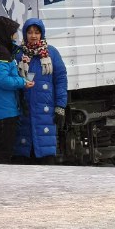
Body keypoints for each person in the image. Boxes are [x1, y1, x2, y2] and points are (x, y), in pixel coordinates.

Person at [14, 18, 68, 163]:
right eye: (30, 32)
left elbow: (61, 80)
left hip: (45, 112)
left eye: (37, 32)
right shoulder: (19, 54)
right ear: (25, 34)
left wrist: (60, 107)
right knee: (24, 155)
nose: (33, 36)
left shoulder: (51, 53)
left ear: (42, 34)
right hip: (24, 111)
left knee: (45, 157)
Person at [0, 16, 33, 164]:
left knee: (0, 148)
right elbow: (2, 80)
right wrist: (22, 82)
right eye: (13, 32)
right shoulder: (1, 53)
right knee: (3, 151)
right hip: (4, 110)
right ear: (5, 33)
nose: (16, 36)